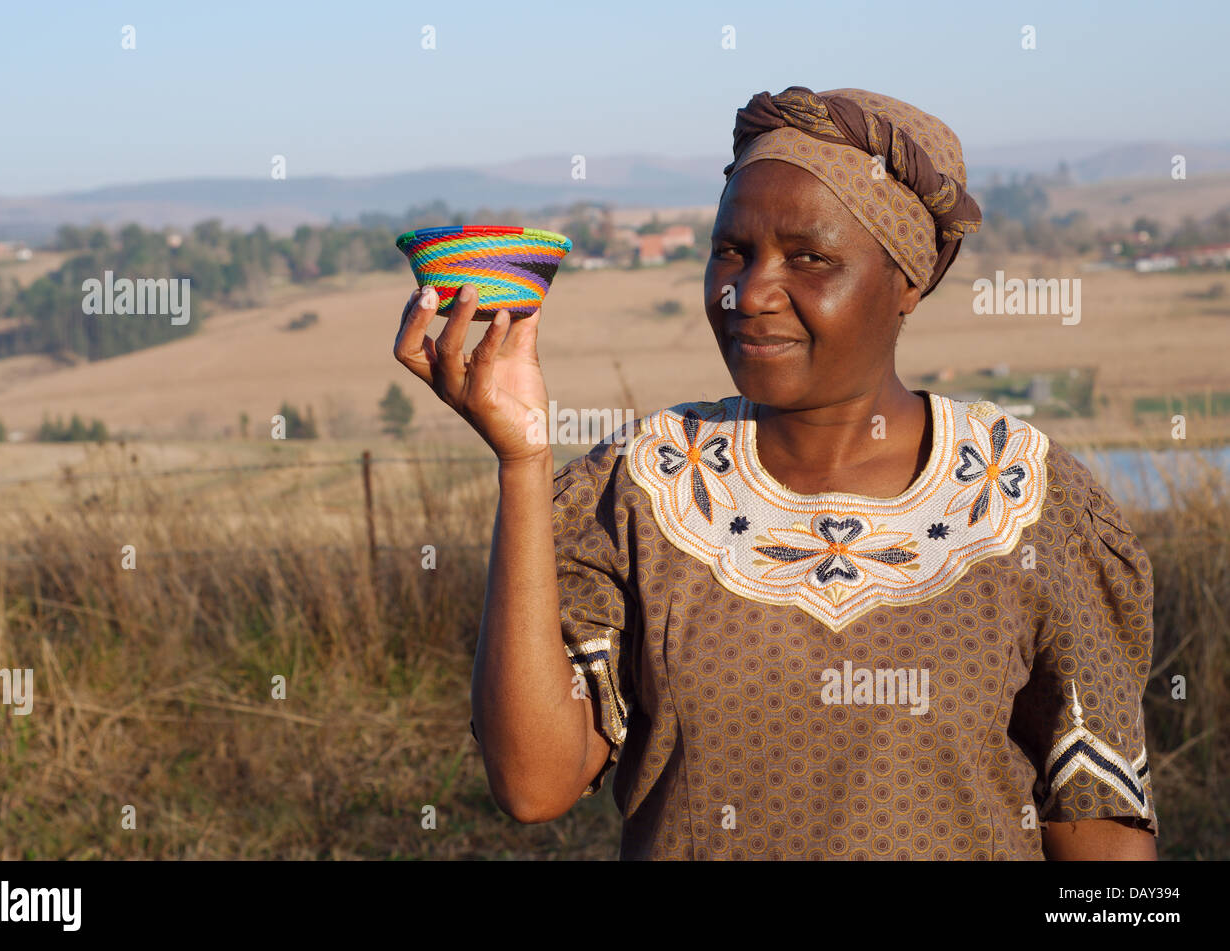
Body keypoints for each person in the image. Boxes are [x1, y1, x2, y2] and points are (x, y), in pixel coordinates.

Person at [393, 85, 1157, 860]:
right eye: (732, 249)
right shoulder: (645, 488)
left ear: (908, 282)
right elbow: (533, 783)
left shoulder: (1026, 500)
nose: (749, 291)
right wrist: (523, 461)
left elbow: (1098, 837)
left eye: (809, 258)